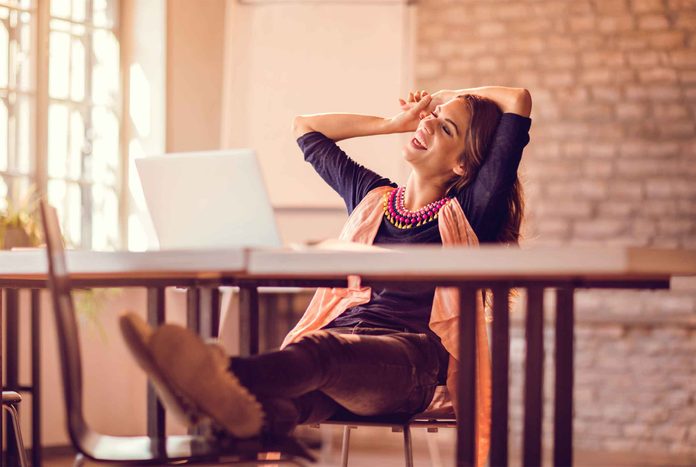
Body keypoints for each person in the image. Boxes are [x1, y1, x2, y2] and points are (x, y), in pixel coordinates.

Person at [120, 86, 532, 463]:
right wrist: (392, 124)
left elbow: (518, 101)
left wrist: (449, 94)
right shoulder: (371, 197)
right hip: (347, 363)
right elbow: (307, 128)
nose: (427, 121)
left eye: (444, 127)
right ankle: (214, 398)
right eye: (432, 113)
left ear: (462, 164)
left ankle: (215, 375)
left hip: (410, 365)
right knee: (284, 407)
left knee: (321, 352)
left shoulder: (471, 212)